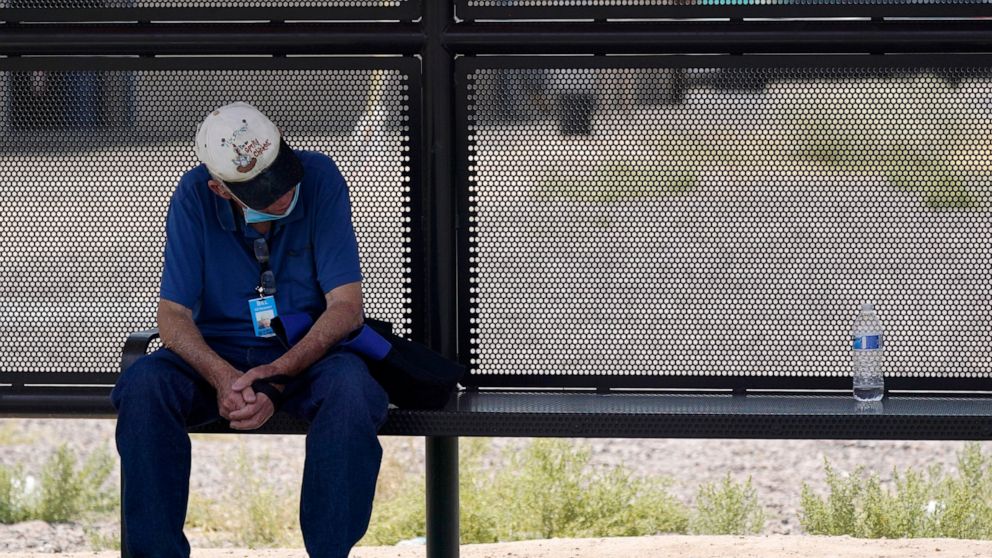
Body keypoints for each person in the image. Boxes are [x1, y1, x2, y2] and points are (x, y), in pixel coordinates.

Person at [111, 101, 389, 558]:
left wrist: (278, 373)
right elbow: (173, 316)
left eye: (282, 172)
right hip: (219, 358)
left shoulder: (320, 177)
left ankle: (330, 552)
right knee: (143, 385)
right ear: (221, 190)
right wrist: (223, 377)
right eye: (262, 189)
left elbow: (346, 308)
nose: (282, 194)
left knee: (352, 390)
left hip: (304, 355)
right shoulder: (193, 196)